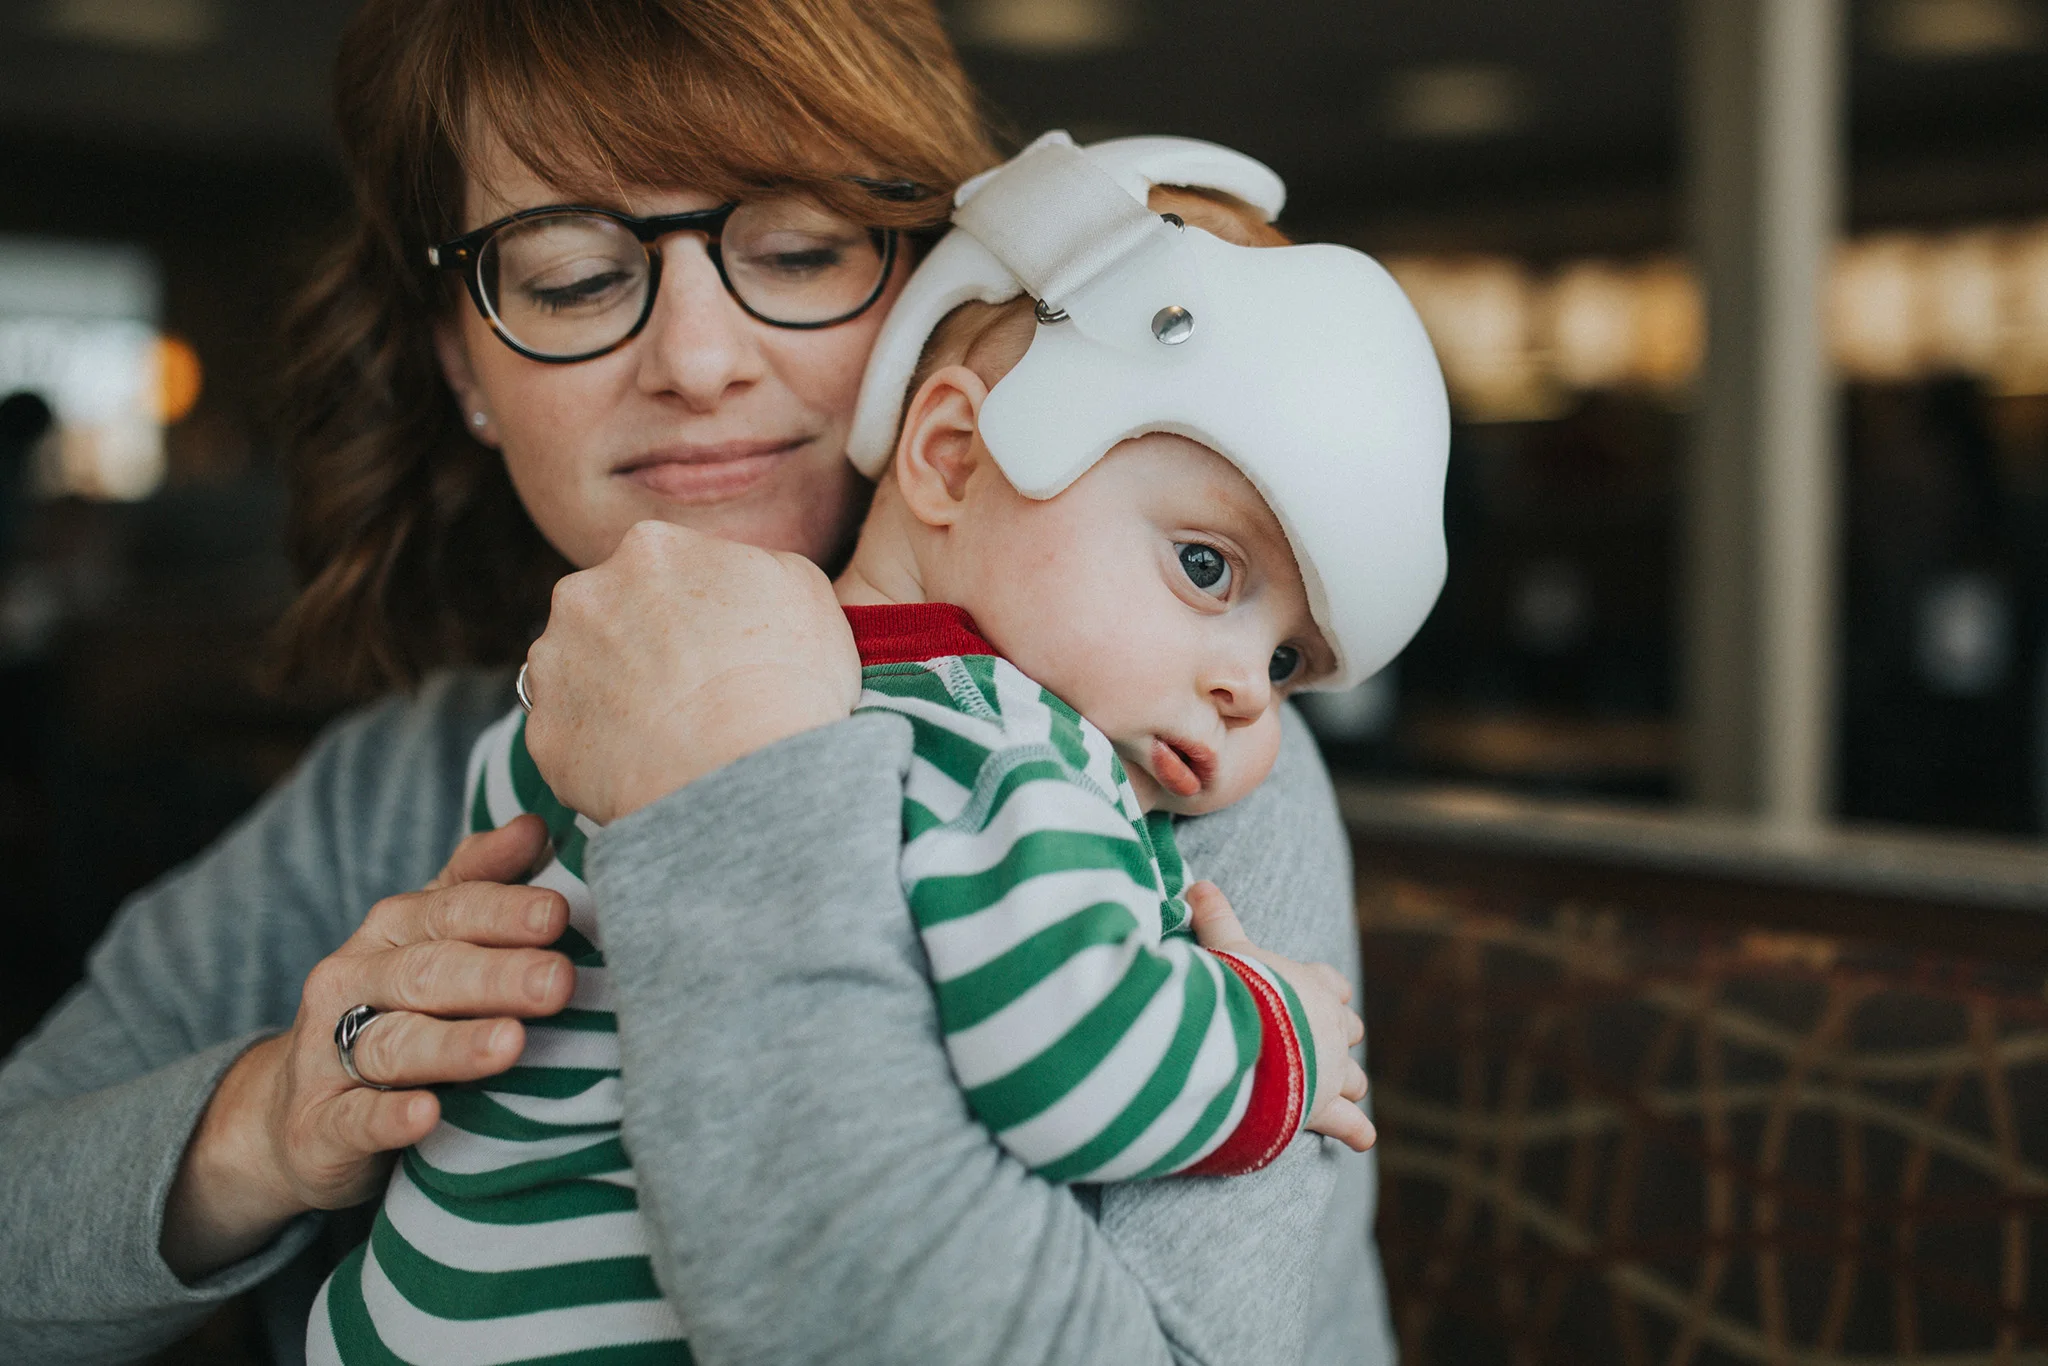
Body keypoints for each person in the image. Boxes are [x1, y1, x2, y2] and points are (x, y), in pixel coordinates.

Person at [0, 5, 1396, 1365]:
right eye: (571, 277)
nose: (699, 361)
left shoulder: (1157, 742)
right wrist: (270, 1118)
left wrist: (725, 792)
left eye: (795, 252)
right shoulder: (416, 773)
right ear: (466, 365)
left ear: (933, 288)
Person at [312, 134, 1446, 1364]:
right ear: (954, 454)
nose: (1242, 689)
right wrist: (1272, 1034)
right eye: (1203, 566)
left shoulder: (588, 684)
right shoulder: (1009, 746)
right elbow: (1069, 1059)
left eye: (1288, 665)